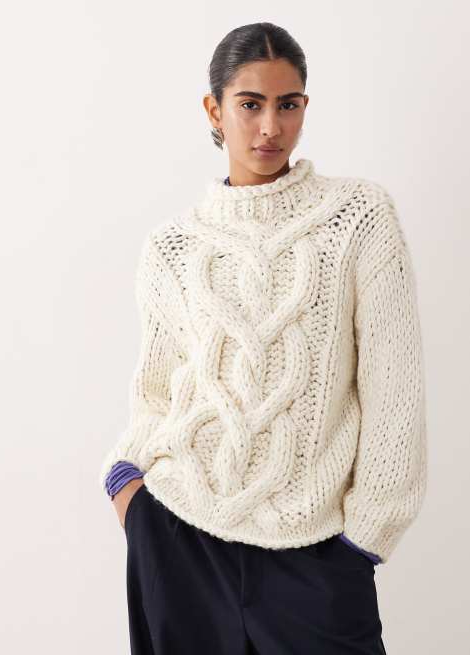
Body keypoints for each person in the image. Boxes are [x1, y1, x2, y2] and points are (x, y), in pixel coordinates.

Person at [98, 21, 427, 655]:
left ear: (305, 106)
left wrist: (367, 536)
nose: (270, 127)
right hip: (180, 539)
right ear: (214, 110)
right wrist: (126, 485)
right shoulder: (172, 247)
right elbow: (157, 389)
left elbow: (395, 391)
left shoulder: (359, 219)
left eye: (288, 104)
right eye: (250, 104)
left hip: (316, 555)